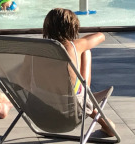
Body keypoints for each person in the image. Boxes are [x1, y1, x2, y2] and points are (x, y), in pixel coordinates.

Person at [42, 8, 116, 137]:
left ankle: (91, 103)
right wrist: (79, 41)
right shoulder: (73, 46)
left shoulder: (37, 49)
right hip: (71, 110)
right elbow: (101, 36)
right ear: (73, 29)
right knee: (86, 51)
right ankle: (89, 97)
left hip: (42, 109)